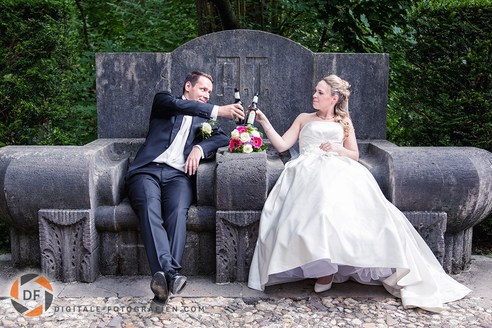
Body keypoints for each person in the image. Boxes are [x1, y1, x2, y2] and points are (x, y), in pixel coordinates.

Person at [247, 74, 471, 312]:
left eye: (320, 92)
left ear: (334, 98)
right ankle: (324, 268)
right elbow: (282, 145)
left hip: (339, 166)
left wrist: (337, 148)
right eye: (315, 91)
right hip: (306, 169)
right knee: (320, 208)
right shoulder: (303, 118)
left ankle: (344, 262)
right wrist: (264, 122)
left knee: (353, 209)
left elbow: (354, 155)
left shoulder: (344, 121)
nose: (314, 95)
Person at [126, 71, 244, 307]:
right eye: (203, 90)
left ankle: (164, 280)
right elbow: (178, 105)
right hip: (145, 172)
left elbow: (223, 138)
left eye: (209, 93)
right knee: (150, 209)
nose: (206, 95)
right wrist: (218, 109)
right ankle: (170, 274)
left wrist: (200, 148)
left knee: (177, 213)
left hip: (178, 177)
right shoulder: (164, 102)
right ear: (188, 86)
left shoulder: (204, 123)